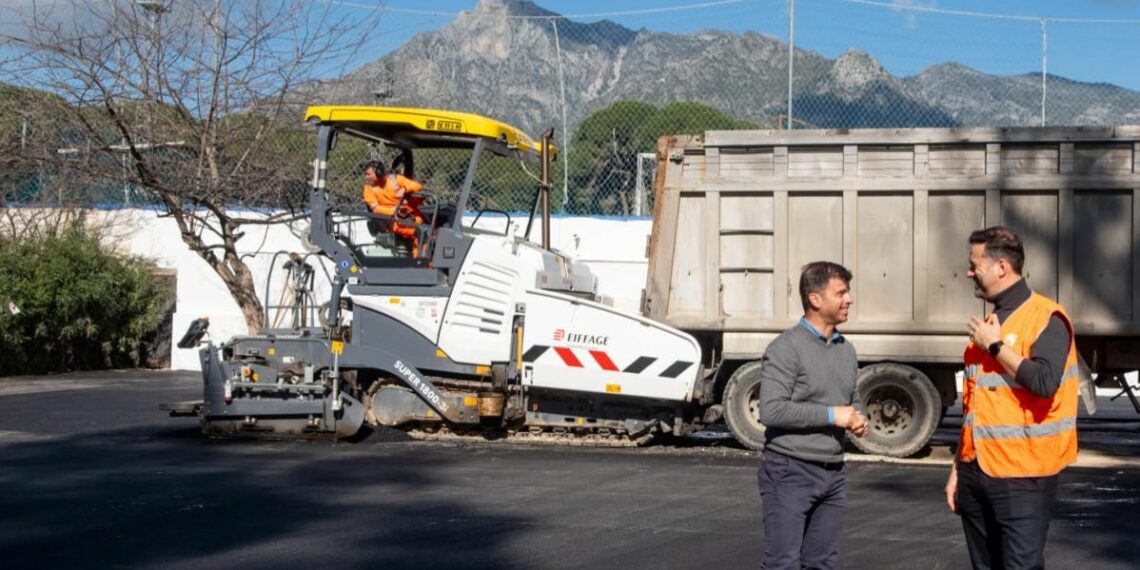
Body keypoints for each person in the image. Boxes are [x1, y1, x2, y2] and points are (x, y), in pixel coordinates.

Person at [946, 226, 1079, 570]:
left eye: (975, 265)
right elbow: (975, 406)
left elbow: (1044, 382)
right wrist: (958, 467)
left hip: (1023, 476)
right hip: (976, 471)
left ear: (1002, 267)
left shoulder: (1046, 317)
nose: (969, 272)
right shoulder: (990, 322)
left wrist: (995, 345)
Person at [757, 261, 868, 570]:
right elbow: (771, 410)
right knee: (782, 563)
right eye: (841, 293)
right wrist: (833, 415)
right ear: (815, 299)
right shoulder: (785, 348)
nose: (849, 299)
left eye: (848, 292)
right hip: (789, 470)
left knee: (822, 563)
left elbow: (852, 400)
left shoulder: (846, 350)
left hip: (833, 473)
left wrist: (858, 418)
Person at [362, 160, 426, 255]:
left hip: (409, 216)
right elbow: (376, 209)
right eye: (366, 174)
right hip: (391, 221)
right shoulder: (369, 189)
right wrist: (394, 211)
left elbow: (417, 186)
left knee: (430, 228)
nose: (367, 177)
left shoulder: (394, 180)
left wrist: (404, 189)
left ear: (379, 172)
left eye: (369, 174)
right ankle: (421, 262)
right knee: (421, 233)